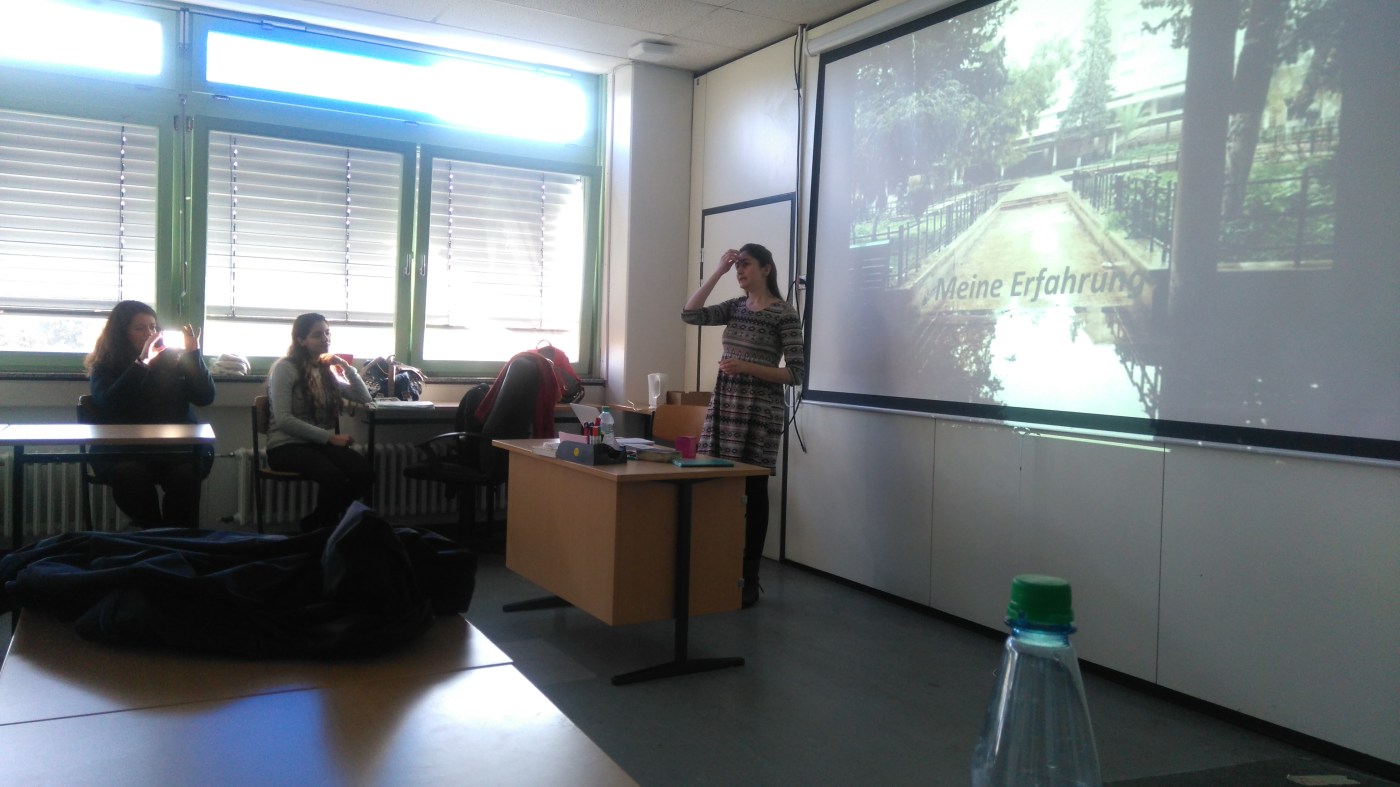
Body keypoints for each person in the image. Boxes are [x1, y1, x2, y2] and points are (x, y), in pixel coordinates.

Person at [682, 243, 805, 607]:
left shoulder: (783, 313)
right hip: (726, 407)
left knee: (753, 491)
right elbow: (690, 314)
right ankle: (717, 568)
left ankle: (749, 578)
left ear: (766, 269)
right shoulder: (735, 307)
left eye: (746, 265)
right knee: (717, 488)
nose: (740, 271)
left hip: (758, 412)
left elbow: (796, 373)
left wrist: (747, 366)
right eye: (736, 266)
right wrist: (718, 271)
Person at [86, 300, 217, 527]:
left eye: (153, 327)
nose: (150, 333)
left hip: (175, 451)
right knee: (130, 475)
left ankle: (175, 536)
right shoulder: (106, 366)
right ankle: (154, 532)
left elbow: (205, 397)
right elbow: (110, 403)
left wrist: (193, 355)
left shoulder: (173, 362)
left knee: (186, 476)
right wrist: (142, 362)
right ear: (121, 333)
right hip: (125, 453)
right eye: (140, 328)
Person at [265, 313, 374, 532]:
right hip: (285, 446)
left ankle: (316, 522)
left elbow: (364, 398)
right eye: (317, 335)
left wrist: (344, 366)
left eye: (327, 333)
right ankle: (325, 529)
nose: (325, 339)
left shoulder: (324, 370)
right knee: (334, 477)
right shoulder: (285, 368)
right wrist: (330, 438)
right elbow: (284, 420)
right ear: (301, 340)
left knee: (364, 472)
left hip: (316, 444)